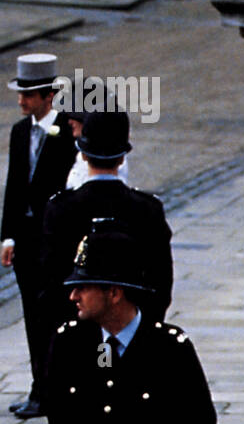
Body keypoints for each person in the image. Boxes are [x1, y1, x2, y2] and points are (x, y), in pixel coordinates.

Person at [44, 230, 216, 424]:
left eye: (84, 287)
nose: (73, 296)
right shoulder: (69, 342)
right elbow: (59, 417)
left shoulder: (168, 347)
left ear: (114, 293)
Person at [0, 53, 79, 420]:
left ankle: (59, 386)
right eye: (20, 93)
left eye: (28, 94)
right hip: (27, 239)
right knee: (33, 316)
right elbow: (14, 187)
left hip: (56, 239)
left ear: (48, 96)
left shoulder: (68, 130)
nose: (21, 101)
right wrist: (8, 237)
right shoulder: (19, 132)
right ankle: (39, 387)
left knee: (58, 314)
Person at [41, 110, 172, 322]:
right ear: (122, 158)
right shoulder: (148, 210)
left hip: (77, 331)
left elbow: (50, 282)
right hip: (132, 330)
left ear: (83, 155)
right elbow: (161, 283)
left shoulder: (61, 210)